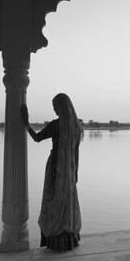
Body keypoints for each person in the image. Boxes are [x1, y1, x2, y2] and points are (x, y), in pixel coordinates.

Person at [20, 93, 82, 252]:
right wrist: (75, 174)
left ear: (61, 107)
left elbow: (37, 137)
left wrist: (26, 124)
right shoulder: (76, 126)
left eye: (55, 107)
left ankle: (55, 238)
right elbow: (76, 153)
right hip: (69, 170)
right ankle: (68, 239)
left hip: (56, 168)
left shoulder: (56, 125)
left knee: (52, 202)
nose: (54, 110)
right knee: (66, 203)